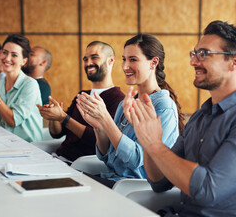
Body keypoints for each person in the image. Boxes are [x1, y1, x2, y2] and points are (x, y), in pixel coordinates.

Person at [128, 21, 236, 216]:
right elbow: (159, 182)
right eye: (194, 54)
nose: (193, 62)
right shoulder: (200, 117)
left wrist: (155, 145)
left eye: (203, 54)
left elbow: (207, 190)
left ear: (235, 62)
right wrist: (146, 139)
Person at [76, 34, 184, 188]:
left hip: (131, 188)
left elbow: (135, 160)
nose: (125, 66)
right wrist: (99, 127)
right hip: (112, 180)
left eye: (133, 59)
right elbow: (106, 157)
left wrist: (106, 119)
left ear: (153, 63)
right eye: (124, 59)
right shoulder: (125, 103)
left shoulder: (163, 106)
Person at [37, 41, 125, 162]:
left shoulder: (118, 99)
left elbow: (98, 140)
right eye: (85, 59)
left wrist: (63, 118)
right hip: (58, 158)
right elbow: (58, 133)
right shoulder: (82, 94)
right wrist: (54, 117)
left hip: (82, 165)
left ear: (111, 60)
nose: (88, 63)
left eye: (94, 57)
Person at [0, 34, 43, 142]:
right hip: (3, 144)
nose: (7, 58)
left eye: (14, 55)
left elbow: (13, 121)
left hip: (29, 147)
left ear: (24, 61)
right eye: (5, 52)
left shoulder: (30, 85)